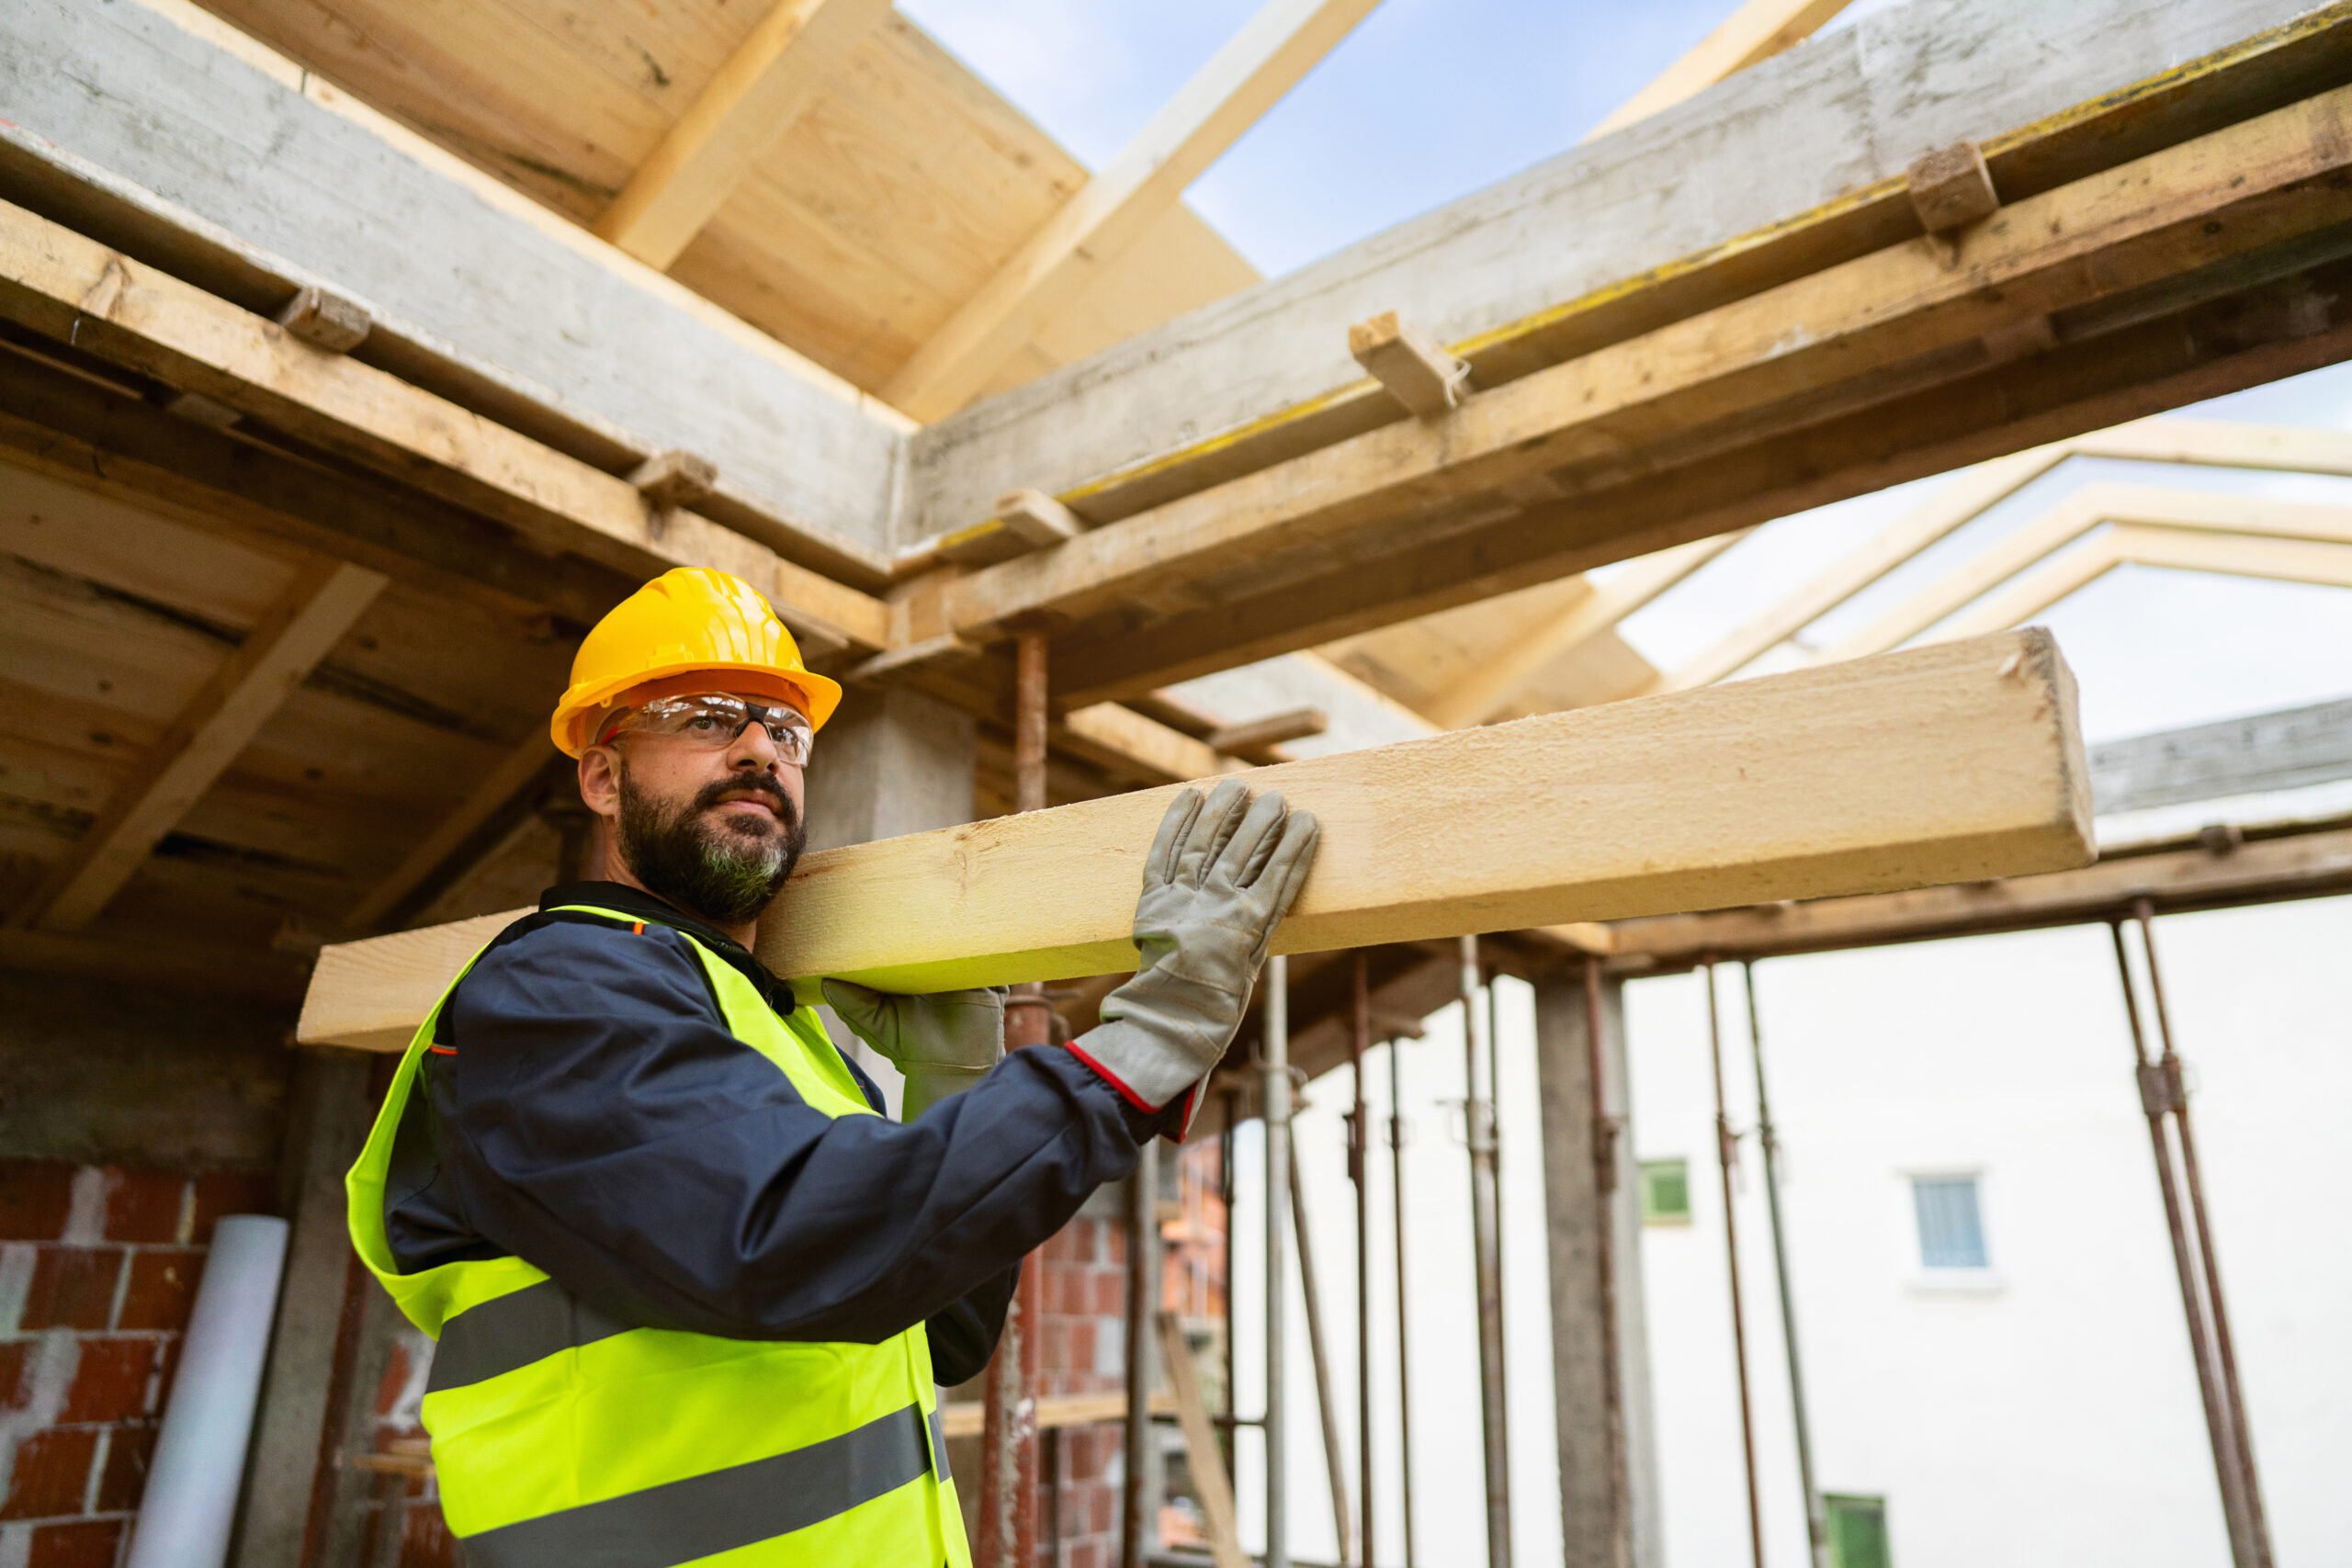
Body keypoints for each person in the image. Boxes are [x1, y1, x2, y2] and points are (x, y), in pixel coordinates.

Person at [344, 567, 1318, 1567]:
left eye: (784, 731)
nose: (758, 748)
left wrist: (948, 1092)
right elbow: (786, 1244)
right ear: (602, 775)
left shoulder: (767, 1035)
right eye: (705, 716)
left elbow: (933, 1332)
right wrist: (1146, 1045)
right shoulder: (559, 992)